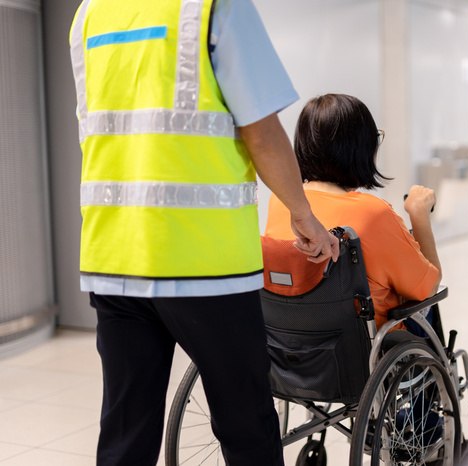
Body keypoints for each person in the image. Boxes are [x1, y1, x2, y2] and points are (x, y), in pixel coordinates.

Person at [69, 1, 338, 465]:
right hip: (202, 263)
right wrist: (302, 213)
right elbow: (262, 133)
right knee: (245, 423)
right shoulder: (213, 7)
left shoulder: (90, 13)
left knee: (125, 431)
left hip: (113, 256)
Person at [265, 94, 442, 331]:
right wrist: (419, 215)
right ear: (362, 147)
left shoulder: (282, 200)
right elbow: (428, 287)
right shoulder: (373, 213)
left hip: (296, 345)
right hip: (366, 352)